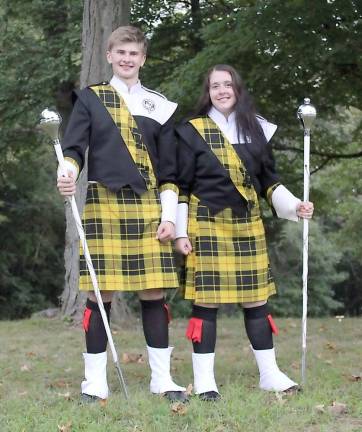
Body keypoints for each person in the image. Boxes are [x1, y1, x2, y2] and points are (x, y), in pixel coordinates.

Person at [57, 26, 187, 403]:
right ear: (110, 56)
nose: (128, 59)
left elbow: (169, 171)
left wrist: (169, 216)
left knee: (154, 292)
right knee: (101, 293)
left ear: (143, 59)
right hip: (104, 202)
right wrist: (66, 172)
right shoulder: (91, 99)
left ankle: (162, 380)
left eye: (134, 53)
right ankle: (94, 384)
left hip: (149, 207)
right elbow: (74, 148)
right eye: (121, 52)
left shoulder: (158, 105)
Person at [175, 64, 314, 401]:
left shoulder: (257, 130)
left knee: (257, 302)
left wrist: (295, 205)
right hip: (205, 223)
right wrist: (180, 231)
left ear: (238, 88)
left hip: (247, 222)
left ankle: (270, 374)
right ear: (207, 92)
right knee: (205, 305)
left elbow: (269, 181)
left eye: (228, 84)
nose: (222, 91)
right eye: (214, 86)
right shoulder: (191, 131)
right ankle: (205, 380)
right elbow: (180, 186)